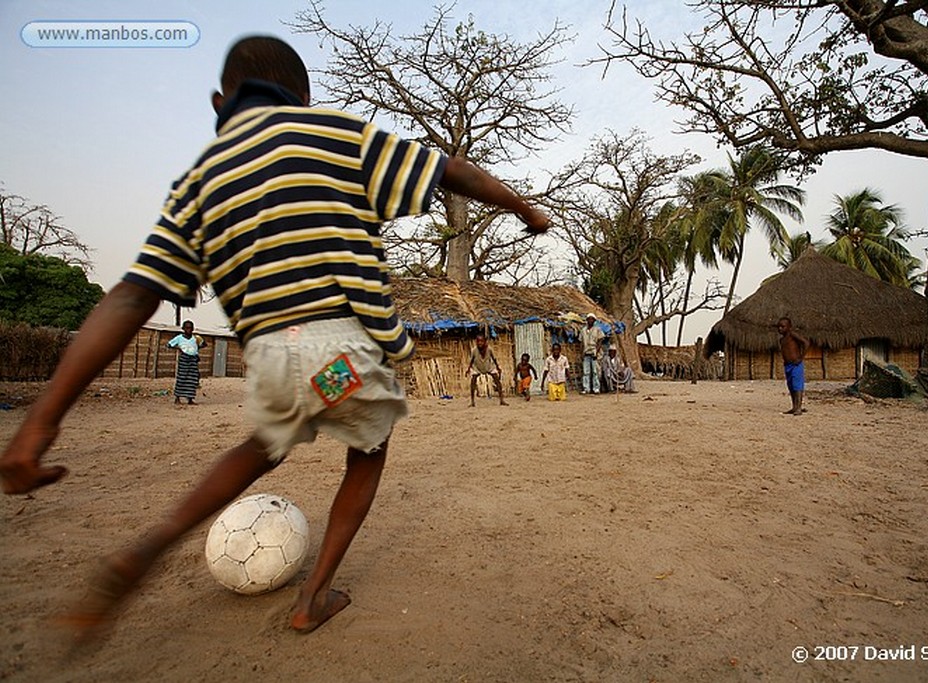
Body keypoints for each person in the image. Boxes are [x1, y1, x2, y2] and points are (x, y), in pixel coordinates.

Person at [0, 35, 549, 642]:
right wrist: (522, 208)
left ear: (220, 102)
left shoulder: (200, 180)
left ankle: (147, 548)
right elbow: (448, 170)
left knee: (264, 446)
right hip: (332, 352)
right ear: (304, 95)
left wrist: (43, 418)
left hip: (269, 354)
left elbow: (133, 294)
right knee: (368, 451)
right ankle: (311, 598)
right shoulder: (335, 135)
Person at [167, 320, 208, 405]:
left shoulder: (196, 338)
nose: (189, 330)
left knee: (192, 379)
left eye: (190, 328)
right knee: (181, 378)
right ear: (183, 328)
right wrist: (179, 348)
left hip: (193, 360)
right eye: (187, 328)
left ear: (193, 329)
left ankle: (190, 399)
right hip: (184, 359)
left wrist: (197, 348)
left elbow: (204, 344)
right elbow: (169, 345)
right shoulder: (179, 338)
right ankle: (177, 398)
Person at [777, 317, 809, 415]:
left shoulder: (792, 335)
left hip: (796, 364)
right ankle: (794, 407)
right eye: (778, 326)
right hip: (788, 365)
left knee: (797, 386)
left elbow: (806, 343)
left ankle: (799, 408)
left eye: (783, 326)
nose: (780, 328)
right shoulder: (782, 340)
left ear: (789, 327)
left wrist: (801, 357)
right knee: (791, 386)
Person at [466, 333, 507, 407]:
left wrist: (498, 367)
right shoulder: (474, 350)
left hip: (488, 366)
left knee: (497, 380)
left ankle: (502, 400)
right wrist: (468, 369)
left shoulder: (489, 349)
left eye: (481, 341)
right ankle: (472, 401)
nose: (480, 343)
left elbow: (494, 359)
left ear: (485, 341)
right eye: (478, 341)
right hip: (477, 367)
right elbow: (471, 360)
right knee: (473, 381)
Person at [580, 313, 604, 394]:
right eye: (589, 319)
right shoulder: (583, 330)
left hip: (594, 352)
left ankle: (596, 388)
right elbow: (581, 342)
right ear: (587, 320)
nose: (590, 321)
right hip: (586, 352)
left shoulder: (598, 329)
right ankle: (586, 388)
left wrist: (596, 352)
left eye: (592, 319)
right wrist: (581, 353)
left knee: (595, 371)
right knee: (586, 372)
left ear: (594, 321)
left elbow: (600, 341)